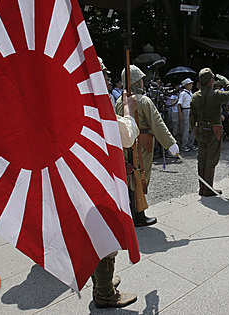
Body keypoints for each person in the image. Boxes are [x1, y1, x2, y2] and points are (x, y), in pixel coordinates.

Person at [92, 70, 141, 309]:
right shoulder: (92, 102)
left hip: (87, 180)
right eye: (103, 75)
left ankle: (103, 282)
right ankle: (104, 293)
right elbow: (126, 136)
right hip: (100, 180)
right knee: (106, 237)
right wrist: (128, 109)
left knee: (95, 233)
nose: (107, 79)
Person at [115, 65, 179, 225]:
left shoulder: (119, 101)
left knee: (130, 175)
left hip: (125, 142)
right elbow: (157, 124)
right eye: (141, 79)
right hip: (142, 144)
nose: (143, 82)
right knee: (141, 176)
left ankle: (131, 212)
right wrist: (170, 143)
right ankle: (139, 215)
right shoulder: (143, 101)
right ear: (137, 81)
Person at [190, 68, 229, 196]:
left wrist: (195, 130)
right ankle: (208, 188)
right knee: (211, 159)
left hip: (200, 129)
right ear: (211, 80)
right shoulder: (216, 94)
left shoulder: (195, 96)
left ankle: (202, 187)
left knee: (201, 158)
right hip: (214, 130)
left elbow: (192, 117)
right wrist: (226, 82)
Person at [178, 78, 195, 151]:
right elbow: (179, 104)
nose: (191, 85)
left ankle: (190, 144)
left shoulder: (190, 92)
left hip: (191, 110)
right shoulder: (183, 94)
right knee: (186, 129)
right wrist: (181, 115)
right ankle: (184, 145)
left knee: (192, 127)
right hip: (185, 110)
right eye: (190, 84)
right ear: (186, 85)